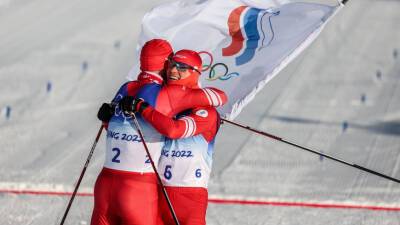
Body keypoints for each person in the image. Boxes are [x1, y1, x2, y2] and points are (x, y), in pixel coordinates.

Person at [93, 41, 227, 225]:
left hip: (105, 183)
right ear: (165, 63)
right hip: (140, 187)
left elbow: (123, 131)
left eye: (181, 67)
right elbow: (219, 96)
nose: (173, 70)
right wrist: (144, 108)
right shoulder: (169, 93)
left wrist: (107, 118)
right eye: (172, 64)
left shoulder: (126, 88)